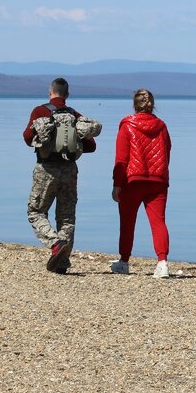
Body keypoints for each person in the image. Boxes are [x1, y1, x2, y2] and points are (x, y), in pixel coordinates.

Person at [23, 78, 98, 273]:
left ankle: (55, 245)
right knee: (66, 218)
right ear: (67, 94)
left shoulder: (40, 111)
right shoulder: (74, 115)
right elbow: (91, 146)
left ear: (50, 92)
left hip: (46, 169)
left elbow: (27, 138)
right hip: (70, 170)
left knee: (36, 212)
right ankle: (62, 262)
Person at [111, 88, 172, 278]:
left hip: (133, 180)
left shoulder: (127, 125)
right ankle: (162, 263)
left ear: (135, 105)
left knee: (127, 222)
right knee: (158, 222)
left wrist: (117, 184)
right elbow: (167, 151)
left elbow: (121, 159)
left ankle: (124, 261)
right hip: (158, 181)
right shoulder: (162, 126)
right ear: (152, 105)